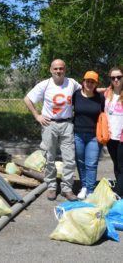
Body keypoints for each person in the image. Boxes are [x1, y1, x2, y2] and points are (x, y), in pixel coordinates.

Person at [24, 59, 81, 201]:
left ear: (65, 70)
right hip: (49, 124)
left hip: (67, 124)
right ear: (51, 70)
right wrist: (37, 115)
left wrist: (108, 90)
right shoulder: (45, 84)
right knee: (49, 157)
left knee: (69, 159)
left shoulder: (72, 83)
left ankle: (67, 188)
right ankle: (51, 186)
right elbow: (27, 99)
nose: (58, 71)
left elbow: (87, 91)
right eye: (55, 68)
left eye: (61, 68)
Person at [72, 71, 104, 200]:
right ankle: (84, 186)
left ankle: (90, 190)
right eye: (87, 81)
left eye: (93, 82)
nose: (89, 84)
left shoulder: (100, 98)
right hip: (78, 134)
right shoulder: (76, 95)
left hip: (94, 136)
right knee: (80, 162)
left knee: (91, 163)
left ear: (96, 84)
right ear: (83, 82)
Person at [105, 66, 123, 197]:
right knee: (116, 164)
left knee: (122, 166)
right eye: (113, 78)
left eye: (119, 77)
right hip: (110, 136)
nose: (116, 80)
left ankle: (119, 194)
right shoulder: (107, 93)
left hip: (122, 137)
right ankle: (120, 187)